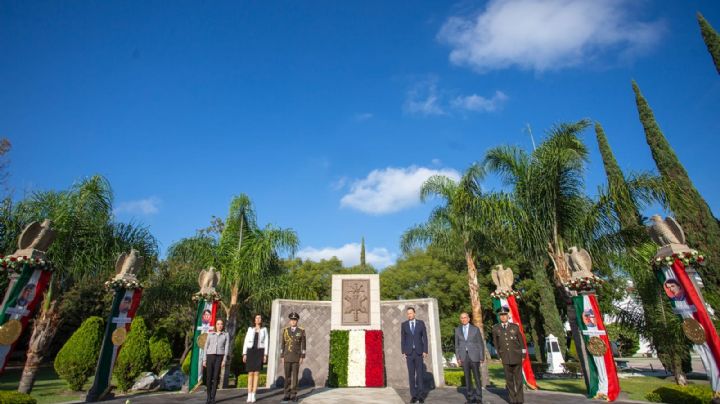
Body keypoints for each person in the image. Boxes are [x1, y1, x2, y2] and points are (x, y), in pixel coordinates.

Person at [492, 307, 525, 404]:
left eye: (505, 315)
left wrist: (523, 355)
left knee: (518, 380)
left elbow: (521, 342)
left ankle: (520, 400)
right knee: (509, 380)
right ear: (499, 317)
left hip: (517, 356)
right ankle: (512, 400)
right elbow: (496, 344)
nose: (503, 317)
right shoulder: (495, 328)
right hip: (505, 358)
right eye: (501, 315)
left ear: (508, 316)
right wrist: (499, 356)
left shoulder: (515, 327)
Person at [455, 312, 484, 404]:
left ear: (468, 319)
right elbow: (456, 345)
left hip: (474, 356)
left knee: (477, 377)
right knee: (467, 378)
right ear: (460, 319)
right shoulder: (457, 330)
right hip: (464, 357)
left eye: (465, 317)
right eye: (461, 318)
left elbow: (480, 344)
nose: (463, 319)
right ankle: (470, 397)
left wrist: (481, 356)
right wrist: (458, 357)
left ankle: (479, 397)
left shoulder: (475, 329)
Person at [401, 307, 428, 403]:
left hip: (419, 352)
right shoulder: (404, 325)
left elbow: (425, 337)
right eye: (408, 313)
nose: (409, 315)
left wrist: (425, 350)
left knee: (419, 375)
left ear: (414, 313)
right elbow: (403, 339)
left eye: (411, 313)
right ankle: (414, 395)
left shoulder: (421, 323)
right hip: (409, 353)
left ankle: (420, 396)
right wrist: (403, 351)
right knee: (411, 375)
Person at [280, 312, 306, 403]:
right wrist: (282, 356)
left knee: (295, 376)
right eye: (292, 320)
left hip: (296, 357)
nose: (293, 321)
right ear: (290, 321)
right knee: (287, 376)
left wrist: (302, 356)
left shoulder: (301, 330)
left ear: (297, 321)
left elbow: (303, 344)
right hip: (287, 356)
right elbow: (282, 344)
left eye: (295, 320)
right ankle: (286, 394)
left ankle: (294, 394)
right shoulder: (285, 330)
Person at [243, 314, 268, 403]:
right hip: (250, 351)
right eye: (256, 318)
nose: (258, 319)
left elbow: (266, 342)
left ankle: (254, 394)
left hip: (259, 352)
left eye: (259, 318)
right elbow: (246, 341)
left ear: (261, 320)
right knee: (250, 373)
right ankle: (249, 394)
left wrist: (265, 355)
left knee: (256, 373)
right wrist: (244, 353)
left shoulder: (264, 330)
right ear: (254, 320)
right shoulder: (250, 329)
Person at [203, 318, 229, 404]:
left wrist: (224, 360)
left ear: (223, 325)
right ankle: (208, 397)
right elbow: (206, 347)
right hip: (210, 356)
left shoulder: (226, 335)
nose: (220, 325)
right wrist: (204, 359)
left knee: (215, 377)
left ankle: (213, 398)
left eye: (221, 324)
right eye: (218, 324)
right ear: (215, 325)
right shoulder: (210, 334)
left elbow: (226, 348)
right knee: (209, 377)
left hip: (219, 357)